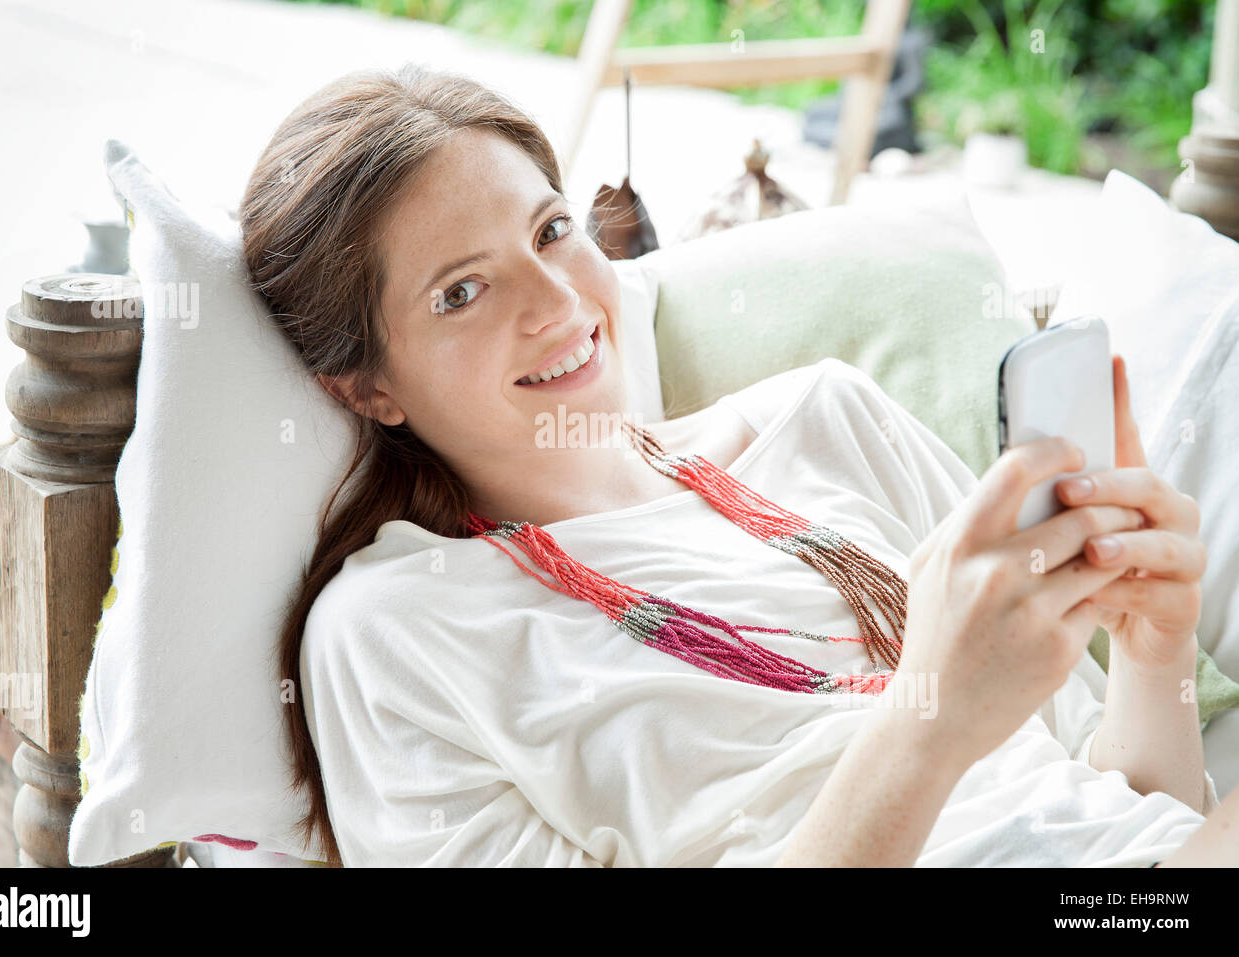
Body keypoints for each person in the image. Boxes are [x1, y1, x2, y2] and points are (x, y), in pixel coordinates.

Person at [238, 63, 1229, 868]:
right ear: (366, 388)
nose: (554, 302)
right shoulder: (396, 636)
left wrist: (1153, 656)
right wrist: (922, 732)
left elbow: (1125, 813)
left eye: (550, 231)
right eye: (460, 292)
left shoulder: (829, 423)